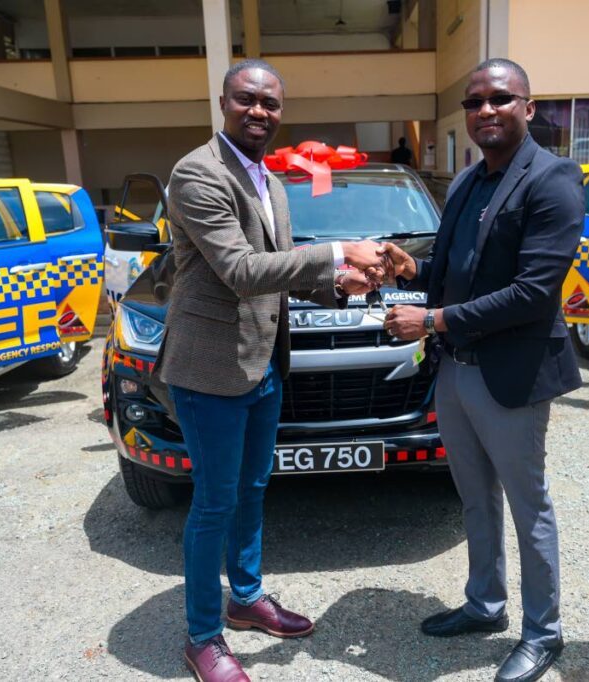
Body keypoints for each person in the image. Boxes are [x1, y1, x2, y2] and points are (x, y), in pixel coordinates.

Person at [158, 59, 385, 682]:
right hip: (208, 368)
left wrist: (340, 284)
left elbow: (279, 273)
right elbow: (239, 271)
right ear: (224, 102)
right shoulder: (197, 173)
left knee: (254, 488)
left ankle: (246, 598)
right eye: (246, 99)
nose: (259, 111)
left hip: (263, 363)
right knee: (213, 502)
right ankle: (203, 635)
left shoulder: (271, 180)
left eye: (271, 103)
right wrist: (339, 249)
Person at [379, 58, 584, 682]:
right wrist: (411, 272)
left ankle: (542, 633)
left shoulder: (553, 180)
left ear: (528, 106)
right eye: (474, 102)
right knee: (474, 498)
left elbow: (532, 293)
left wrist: (432, 321)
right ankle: (485, 604)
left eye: (500, 98)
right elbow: (451, 262)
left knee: (528, 505)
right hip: (458, 371)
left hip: (511, 374)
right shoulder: (469, 183)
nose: (485, 110)